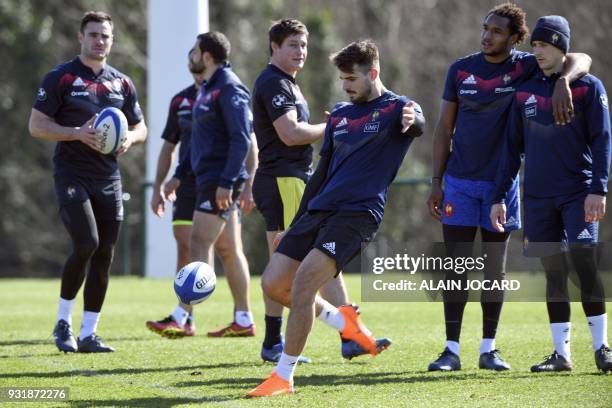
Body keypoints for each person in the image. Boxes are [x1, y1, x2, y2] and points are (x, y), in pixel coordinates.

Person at [248, 39, 424, 397]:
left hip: (356, 214)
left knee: (302, 286)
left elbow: (417, 121)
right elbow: (320, 174)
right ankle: (345, 322)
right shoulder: (341, 115)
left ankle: (283, 376)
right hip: (317, 210)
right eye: (342, 78)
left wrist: (414, 118)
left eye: (351, 78)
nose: (344, 85)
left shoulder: (397, 109)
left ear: (373, 73)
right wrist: (296, 225)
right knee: (272, 284)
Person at [426, 2, 591, 371]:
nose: (487, 35)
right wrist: (436, 182)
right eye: (486, 28)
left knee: (494, 271)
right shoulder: (460, 69)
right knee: (455, 267)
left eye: (498, 31)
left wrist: (564, 80)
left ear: (517, 38)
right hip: (459, 183)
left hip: (501, 186)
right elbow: (443, 129)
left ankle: (489, 349)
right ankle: (451, 349)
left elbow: (581, 57)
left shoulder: (527, 66)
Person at [490, 15, 611, 373]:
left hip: (579, 193)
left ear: (561, 46)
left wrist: (598, 190)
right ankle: (561, 354)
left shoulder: (589, 88)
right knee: (553, 271)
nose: (538, 52)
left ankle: (603, 348)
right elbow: (511, 150)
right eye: (535, 46)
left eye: (544, 45)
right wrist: (499, 196)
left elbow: (603, 142)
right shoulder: (524, 92)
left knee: (584, 264)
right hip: (538, 198)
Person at [252, 18, 377, 363]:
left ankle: (336, 333)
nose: (301, 51)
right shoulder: (275, 83)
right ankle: (340, 332)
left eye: (304, 45)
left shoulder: (287, 83)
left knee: (310, 263)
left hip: (289, 178)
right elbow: (290, 134)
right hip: (285, 179)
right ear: (274, 47)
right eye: (293, 44)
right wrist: (333, 125)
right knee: (301, 267)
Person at [29, 11, 147, 353]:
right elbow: (36, 125)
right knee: (86, 243)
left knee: (105, 254)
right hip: (72, 174)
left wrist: (130, 140)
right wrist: (76, 134)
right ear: (81, 37)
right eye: (93, 34)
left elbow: (142, 127)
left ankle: (89, 333)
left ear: (112, 40)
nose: (99, 40)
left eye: (105, 36)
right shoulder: (61, 78)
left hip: (108, 177)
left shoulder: (122, 83)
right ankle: (63, 322)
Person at [146, 48, 258, 338]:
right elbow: (175, 146)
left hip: (219, 181)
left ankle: (184, 316)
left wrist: (247, 184)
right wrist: (169, 180)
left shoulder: (228, 90)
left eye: (197, 52)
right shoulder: (185, 99)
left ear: (207, 58)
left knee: (208, 245)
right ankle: (238, 319)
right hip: (193, 181)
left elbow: (247, 141)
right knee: (209, 246)